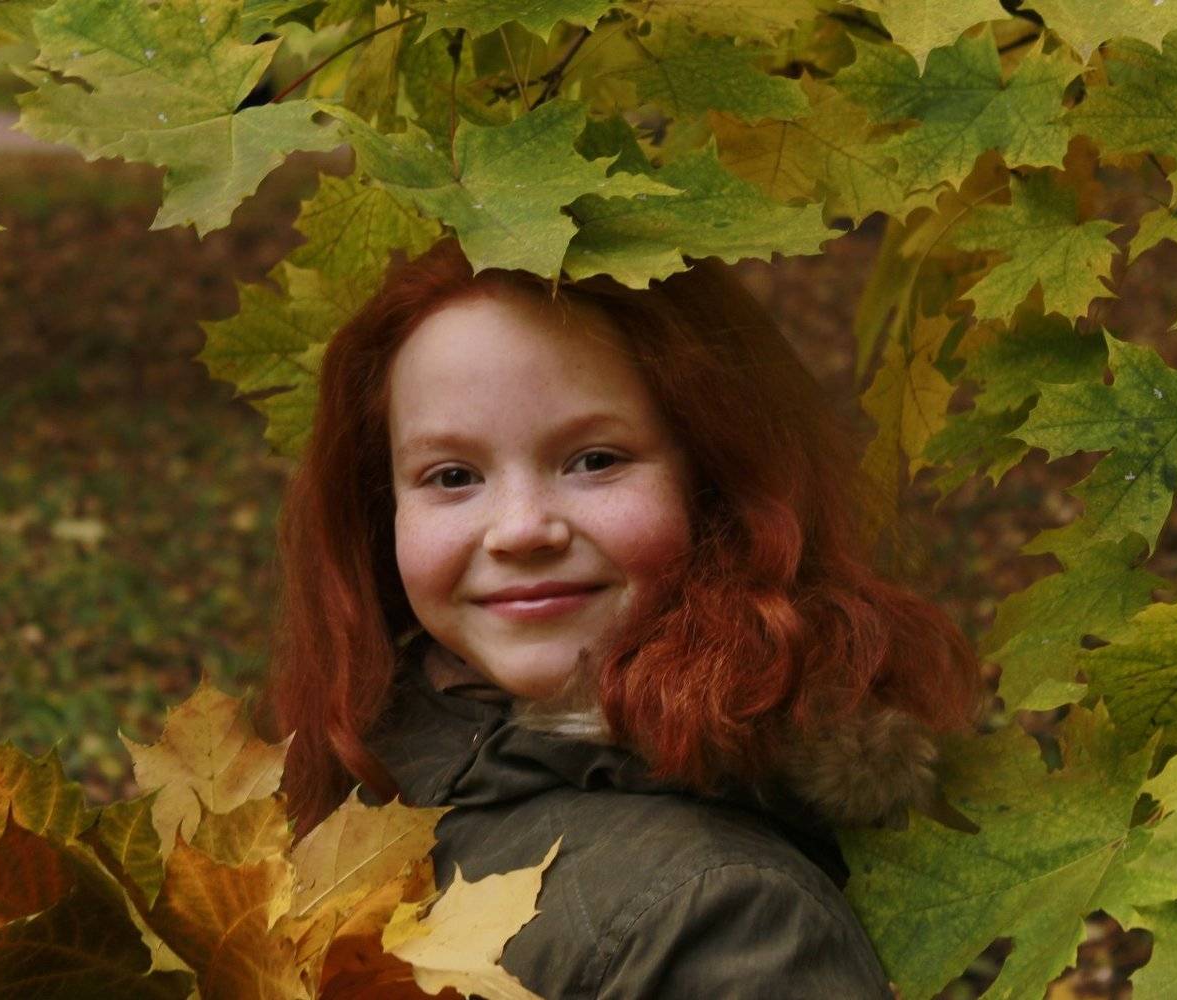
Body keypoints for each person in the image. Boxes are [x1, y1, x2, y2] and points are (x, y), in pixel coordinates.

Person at [261, 237, 984, 997]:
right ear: (383, 514)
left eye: (595, 460)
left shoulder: (729, 923)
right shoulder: (364, 775)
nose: (520, 529)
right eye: (452, 476)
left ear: (716, 483)